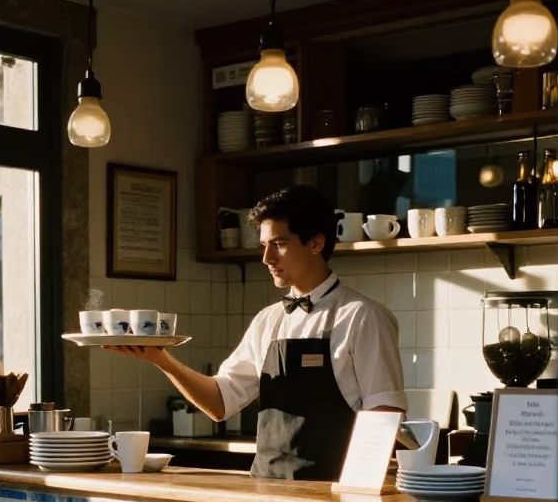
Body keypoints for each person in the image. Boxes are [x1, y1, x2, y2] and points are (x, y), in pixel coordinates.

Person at [109, 184, 406, 480]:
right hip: (265, 488)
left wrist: (357, 491)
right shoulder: (268, 320)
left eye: (279, 244)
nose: (266, 258)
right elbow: (220, 403)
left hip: (331, 491)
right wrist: (161, 360)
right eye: (263, 245)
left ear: (316, 243)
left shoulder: (363, 317)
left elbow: (384, 414)